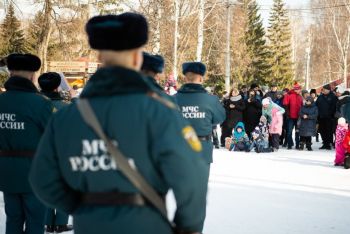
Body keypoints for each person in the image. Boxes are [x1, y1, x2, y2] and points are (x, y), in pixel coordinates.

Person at [29, 13, 207, 234]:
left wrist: (84, 207)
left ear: (101, 57)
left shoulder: (66, 117)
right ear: (136, 58)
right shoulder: (161, 112)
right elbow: (190, 176)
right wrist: (189, 228)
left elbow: (42, 180)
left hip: (89, 226)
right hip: (146, 225)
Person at [0, 53, 54, 234]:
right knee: (35, 221)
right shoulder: (40, 104)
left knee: (13, 219)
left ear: (10, 73)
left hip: (6, 171)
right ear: (32, 76)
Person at [38, 72, 73, 233]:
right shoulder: (67, 106)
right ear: (58, 86)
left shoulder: (35, 105)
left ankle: (47, 222)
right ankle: (60, 222)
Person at [175, 61, 225, 168]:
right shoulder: (211, 100)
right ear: (201, 79)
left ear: (185, 78)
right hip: (202, 148)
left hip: (178, 147)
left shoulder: (172, 99)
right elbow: (220, 118)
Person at [316, 84, 337, 150]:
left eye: (325, 89)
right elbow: (316, 105)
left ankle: (328, 144)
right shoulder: (320, 97)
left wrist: (330, 114)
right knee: (322, 130)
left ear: (328, 90)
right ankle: (325, 143)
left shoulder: (333, 96)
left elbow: (334, 107)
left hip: (329, 117)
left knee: (329, 131)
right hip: (321, 117)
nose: (324, 90)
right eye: (323, 89)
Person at [283, 82, 303, 149]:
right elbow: (285, 105)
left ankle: (297, 145)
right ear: (295, 89)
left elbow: (302, 106)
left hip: (298, 117)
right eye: (297, 89)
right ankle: (289, 145)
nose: (299, 90)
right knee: (289, 131)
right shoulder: (288, 95)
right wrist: (287, 114)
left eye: (299, 89)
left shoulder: (300, 96)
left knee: (297, 132)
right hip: (290, 117)